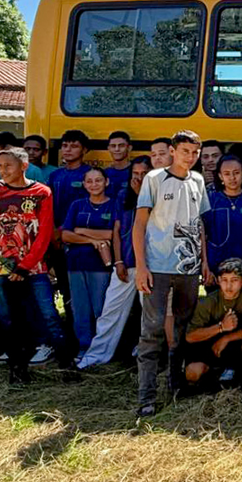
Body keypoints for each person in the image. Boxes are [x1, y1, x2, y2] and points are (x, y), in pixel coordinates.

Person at [0, 147, 70, 385]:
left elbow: (44, 232)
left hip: (34, 264)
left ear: (24, 166)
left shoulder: (41, 192)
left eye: (8, 165)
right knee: (7, 317)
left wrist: (25, 266)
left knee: (48, 312)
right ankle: (17, 367)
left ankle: (66, 363)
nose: (3, 170)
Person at [132, 130, 211, 418]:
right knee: (151, 332)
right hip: (158, 267)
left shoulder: (199, 180)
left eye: (195, 152)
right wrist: (141, 266)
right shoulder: (154, 179)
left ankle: (175, 386)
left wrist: (204, 261)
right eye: (185, 151)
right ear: (173, 151)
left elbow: (199, 224)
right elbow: (139, 225)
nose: (191, 157)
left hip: (188, 269)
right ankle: (146, 396)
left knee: (180, 330)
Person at [76, 156, 152, 370]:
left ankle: (144, 355)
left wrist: (142, 193)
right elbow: (117, 231)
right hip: (126, 263)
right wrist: (118, 261)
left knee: (149, 314)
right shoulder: (122, 196)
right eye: (135, 174)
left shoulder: (158, 196)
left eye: (144, 173)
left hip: (150, 266)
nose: (139, 178)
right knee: (111, 310)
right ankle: (96, 356)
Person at [181, 257, 242, 392]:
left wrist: (227, 337)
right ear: (218, 281)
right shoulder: (208, 302)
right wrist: (221, 327)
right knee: (192, 373)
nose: (228, 286)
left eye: (234, 280)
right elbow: (190, 336)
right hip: (211, 349)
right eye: (224, 280)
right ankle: (215, 378)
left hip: (237, 345)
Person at [60, 166, 116, 354]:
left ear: (106, 182)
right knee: (80, 308)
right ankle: (84, 347)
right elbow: (66, 235)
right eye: (89, 181)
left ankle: (101, 348)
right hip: (75, 264)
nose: (94, 184)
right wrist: (93, 240)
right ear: (84, 184)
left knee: (101, 307)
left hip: (101, 265)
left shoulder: (114, 205)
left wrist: (82, 230)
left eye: (98, 180)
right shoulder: (77, 205)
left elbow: (112, 234)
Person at [203, 155, 242, 284]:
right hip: (216, 267)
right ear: (220, 176)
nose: (232, 178)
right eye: (227, 174)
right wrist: (205, 265)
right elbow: (203, 235)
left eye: (236, 173)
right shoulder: (211, 200)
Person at [49, 129, 92, 222]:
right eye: (65, 146)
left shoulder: (91, 174)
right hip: (55, 226)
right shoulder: (55, 175)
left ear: (84, 150)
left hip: (80, 226)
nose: (68, 150)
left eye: (74, 146)